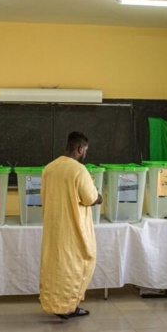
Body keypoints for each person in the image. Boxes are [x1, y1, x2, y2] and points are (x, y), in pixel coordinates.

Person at [39, 131, 103, 319]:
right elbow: (90, 198)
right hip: (74, 231)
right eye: (85, 151)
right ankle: (69, 307)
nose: (85, 154)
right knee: (75, 268)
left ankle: (55, 305)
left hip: (53, 228)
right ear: (80, 148)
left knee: (55, 269)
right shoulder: (78, 170)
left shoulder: (49, 168)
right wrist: (100, 197)